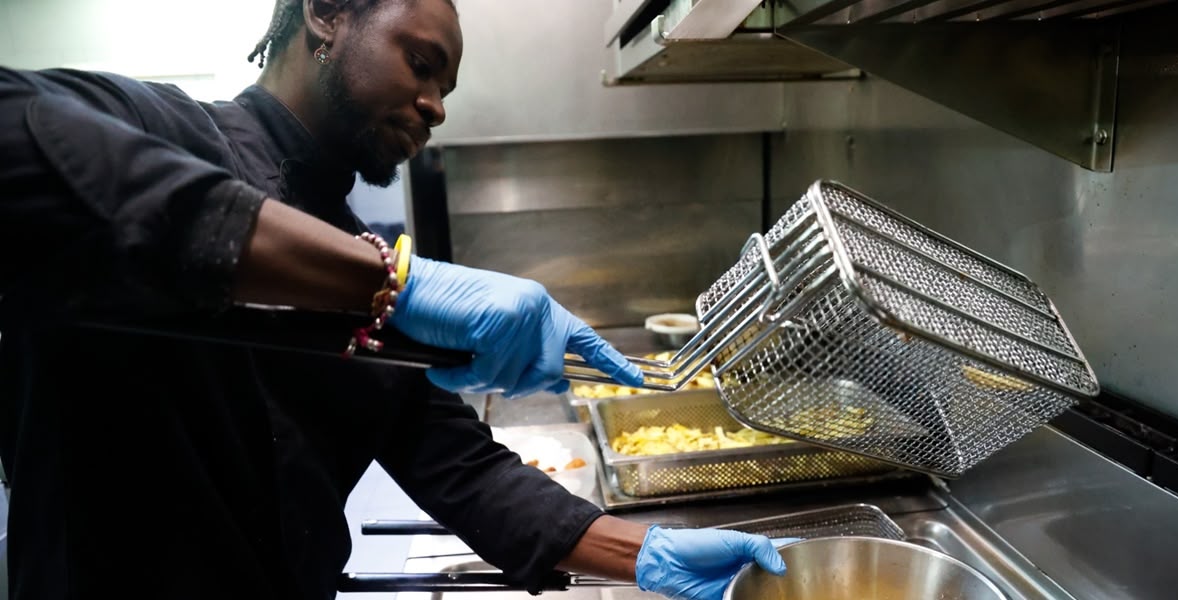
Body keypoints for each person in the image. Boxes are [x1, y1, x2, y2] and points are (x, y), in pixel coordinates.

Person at [0, 0, 792, 598]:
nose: (437, 105)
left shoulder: (352, 248)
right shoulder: (161, 127)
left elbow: (458, 463)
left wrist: (638, 553)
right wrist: (386, 282)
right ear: (325, 14)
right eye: (420, 63)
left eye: (446, 87)